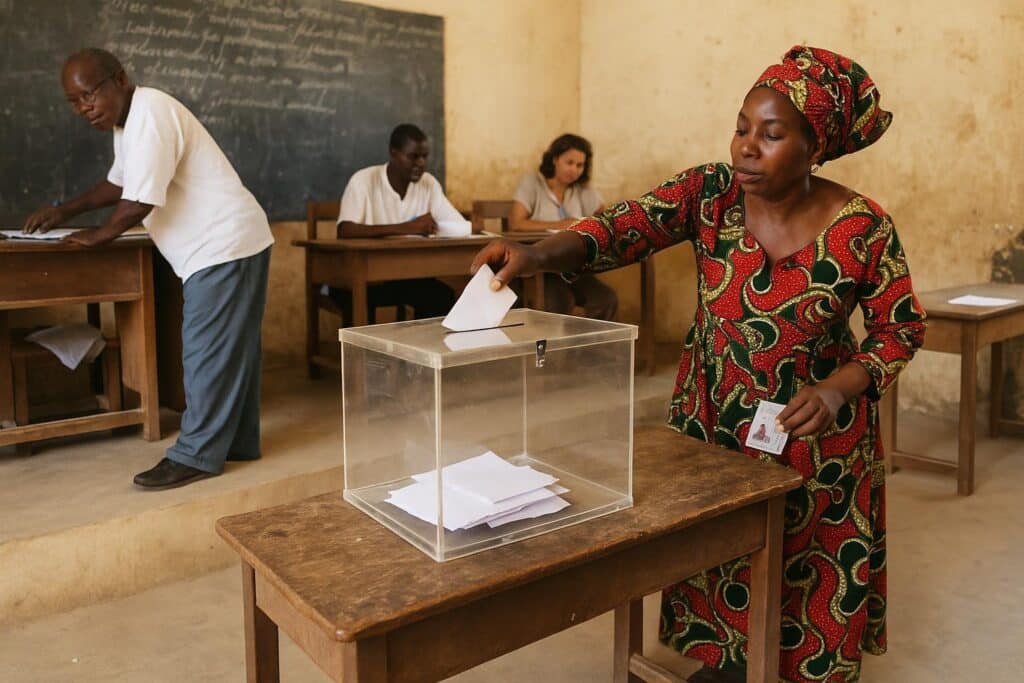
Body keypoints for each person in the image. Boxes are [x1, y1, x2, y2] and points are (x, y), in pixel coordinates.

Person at [471, 46, 926, 683]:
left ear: (814, 146)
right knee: (715, 557)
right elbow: (620, 227)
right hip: (714, 424)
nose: (745, 146)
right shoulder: (708, 194)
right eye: (742, 127)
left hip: (815, 439)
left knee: (808, 563)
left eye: (771, 134)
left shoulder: (865, 229)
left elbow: (900, 328)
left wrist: (839, 389)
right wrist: (533, 255)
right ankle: (732, 664)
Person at [22, 48, 274, 491]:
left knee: (205, 350)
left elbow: (141, 199)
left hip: (222, 244)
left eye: (89, 95)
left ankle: (195, 454)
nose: (85, 108)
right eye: (74, 102)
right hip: (232, 243)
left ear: (119, 79)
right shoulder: (129, 124)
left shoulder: (152, 111)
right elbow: (119, 183)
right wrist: (66, 211)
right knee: (234, 351)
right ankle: (238, 442)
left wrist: (101, 235)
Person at [329, 124, 459, 319]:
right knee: (358, 298)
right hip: (359, 277)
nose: (421, 163)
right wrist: (408, 228)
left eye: (425, 156)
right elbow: (345, 230)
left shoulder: (428, 183)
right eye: (413, 157)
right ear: (393, 153)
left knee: (440, 297)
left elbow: (455, 224)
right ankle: (363, 350)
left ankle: (422, 349)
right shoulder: (364, 180)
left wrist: (466, 227)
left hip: (405, 276)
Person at [509, 134, 617, 320]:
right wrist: (563, 225)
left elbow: (605, 219)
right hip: (542, 267)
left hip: (573, 266)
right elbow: (516, 223)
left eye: (580, 165)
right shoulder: (533, 183)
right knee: (557, 303)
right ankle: (557, 349)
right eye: (569, 162)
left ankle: (586, 348)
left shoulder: (582, 191)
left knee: (606, 300)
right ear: (555, 159)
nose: (574, 170)